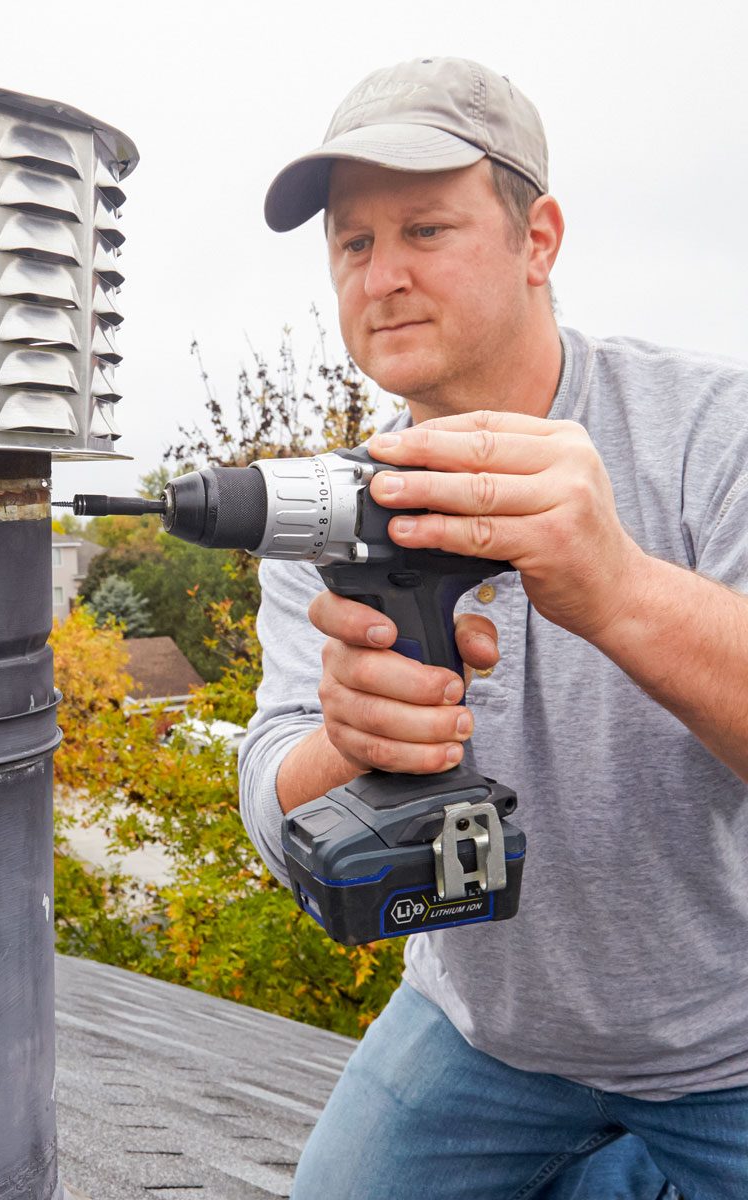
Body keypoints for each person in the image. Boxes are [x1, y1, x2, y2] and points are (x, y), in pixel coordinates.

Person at [238, 56, 748, 1199]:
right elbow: (271, 797)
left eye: (425, 229)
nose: (383, 276)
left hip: (730, 1049)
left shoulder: (713, 434)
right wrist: (347, 742)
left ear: (539, 240)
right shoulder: (326, 508)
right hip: (479, 1038)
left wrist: (620, 591)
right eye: (353, 243)